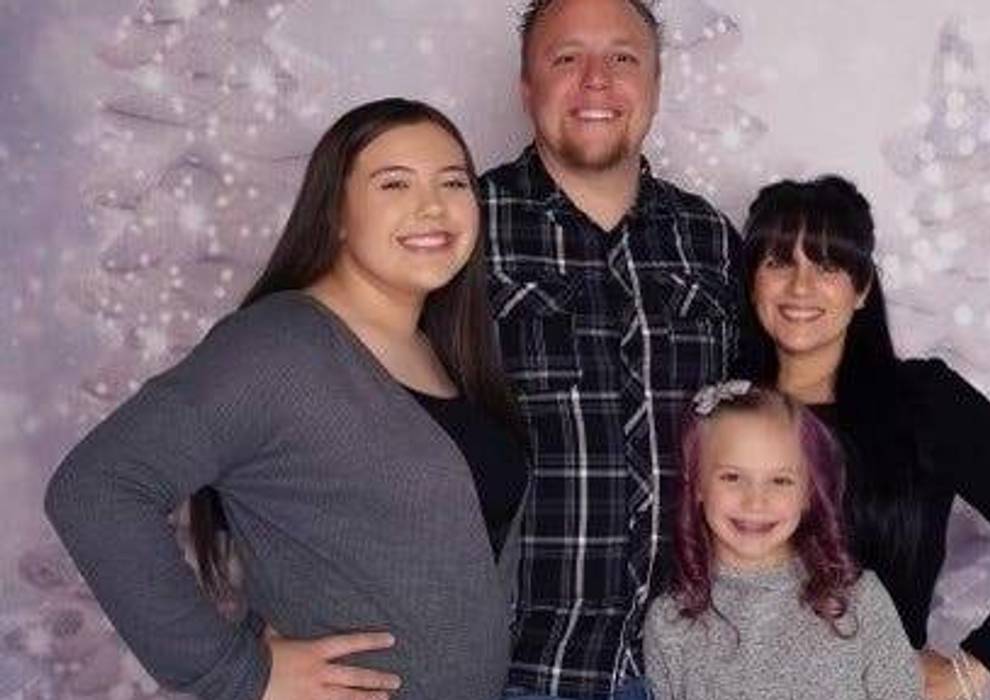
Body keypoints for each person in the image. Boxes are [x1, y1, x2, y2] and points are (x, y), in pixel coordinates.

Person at [44, 98, 527, 700]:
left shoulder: (441, 349)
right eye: (394, 183)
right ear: (338, 215)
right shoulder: (278, 348)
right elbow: (96, 488)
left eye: (453, 182)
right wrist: (239, 673)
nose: (432, 206)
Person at [740, 175, 990, 699]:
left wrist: (974, 669)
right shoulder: (721, 408)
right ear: (751, 282)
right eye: (778, 262)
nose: (800, 286)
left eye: (828, 265)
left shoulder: (924, 402)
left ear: (861, 289)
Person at [482, 0, 744, 696]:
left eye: (622, 58)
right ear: (525, 86)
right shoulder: (457, 228)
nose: (595, 80)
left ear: (654, 84)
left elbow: (775, 434)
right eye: (565, 58)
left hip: (689, 673)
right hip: (519, 673)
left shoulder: (711, 241)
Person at [643, 382, 920, 700]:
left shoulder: (859, 598)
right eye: (732, 477)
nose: (755, 501)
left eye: (780, 480)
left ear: (808, 493)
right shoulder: (670, 622)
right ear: (697, 485)